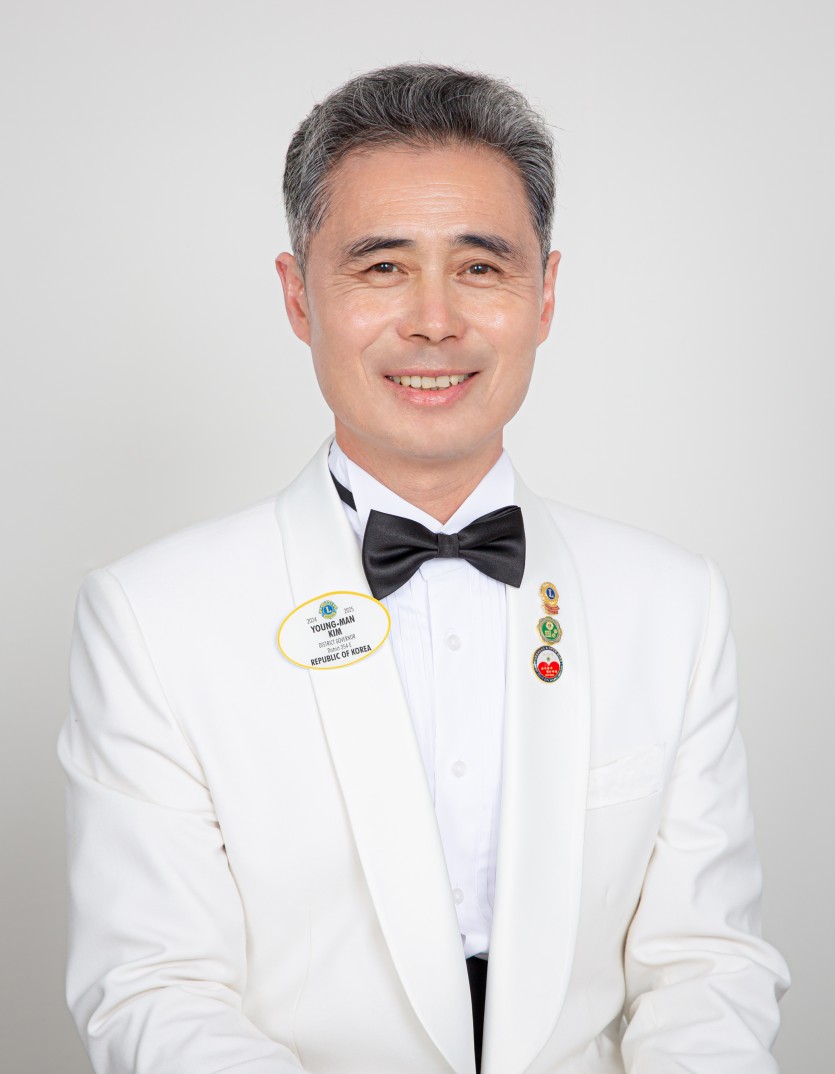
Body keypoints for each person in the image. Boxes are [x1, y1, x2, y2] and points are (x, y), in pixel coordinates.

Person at [58, 63, 789, 1074]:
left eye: (481, 267)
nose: (435, 320)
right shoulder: (151, 618)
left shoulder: (672, 603)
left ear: (544, 294)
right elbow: (155, 988)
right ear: (298, 296)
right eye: (382, 268)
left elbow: (705, 965)